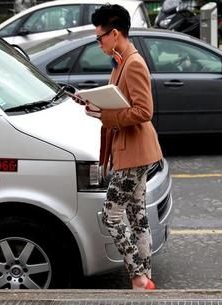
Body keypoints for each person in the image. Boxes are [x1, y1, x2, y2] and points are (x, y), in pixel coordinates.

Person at [73, 4, 163, 290]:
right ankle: (144, 281)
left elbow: (144, 111)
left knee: (111, 216)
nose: (98, 43)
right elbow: (120, 102)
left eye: (99, 37)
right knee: (137, 217)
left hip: (133, 152)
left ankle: (137, 275)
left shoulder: (133, 63)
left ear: (114, 33)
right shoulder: (120, 60)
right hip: (134, 151)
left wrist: (105, 115)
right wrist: (94, 105)